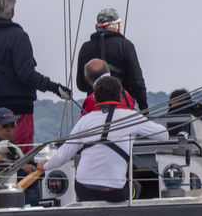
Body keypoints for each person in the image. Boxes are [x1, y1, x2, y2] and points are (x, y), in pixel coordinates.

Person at [41, 75, 170, 203]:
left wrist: (44, 166)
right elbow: (164, 135)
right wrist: (136, 131)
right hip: (115, 192)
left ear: (95, 97)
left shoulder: (85, 120)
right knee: (136, 187)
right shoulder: (131, 117)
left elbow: (61, 156)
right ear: (120, 96)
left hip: (84, 190)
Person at [0, 0, 72, 147]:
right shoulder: (19, 36)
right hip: (19, 110)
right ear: (12, 11)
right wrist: (55, 88)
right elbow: (27, 75)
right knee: (21, 156)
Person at [75, 7, 149, 109]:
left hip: (93, 106)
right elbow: (137, 83)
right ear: (116, 25)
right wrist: (144, 109)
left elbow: (81, 85)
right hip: (122, 105)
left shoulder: (85, 48)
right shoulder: (126, 46)